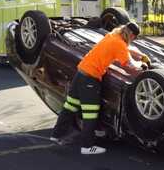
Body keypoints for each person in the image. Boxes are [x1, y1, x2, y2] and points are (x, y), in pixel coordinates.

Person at [50, 22, 150, 154]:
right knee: (90, 113)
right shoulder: (119, 43)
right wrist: (142, 65)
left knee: (70, 106)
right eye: (134, 38)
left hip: (81, 73)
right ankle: (87, 146)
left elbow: (128, 50)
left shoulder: (113, 35)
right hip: (90, 78)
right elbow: (129, 64)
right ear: (131, 35)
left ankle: (56, 135)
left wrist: (141, 56)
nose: (133, 40)